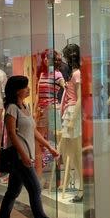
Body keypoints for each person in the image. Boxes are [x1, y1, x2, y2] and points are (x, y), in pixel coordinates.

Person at [0, 75, 64, 218]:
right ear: (17, 90)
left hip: (24, 156)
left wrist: (48, 146)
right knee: (35, 188)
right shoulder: (12, 108)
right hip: (19, 157)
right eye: (25, 87)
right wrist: (23, 156)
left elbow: (32, 131)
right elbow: (12, 134)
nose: (28, 89)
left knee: (12, 192)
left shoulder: (24, 107)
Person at [34, 49, 65, 187]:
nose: (46, 60)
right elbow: (37, 94)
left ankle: (58, 180)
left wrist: (63, 106)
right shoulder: (41, 73)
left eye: (48, 58)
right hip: (41, 110)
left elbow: (66, 89)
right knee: (38, 143)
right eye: (44, 57)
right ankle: (39, 178)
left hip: (53, 110)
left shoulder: (57, 74)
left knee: (55, 143)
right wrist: (35, 111)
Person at [59, 43, 83, 203]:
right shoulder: (73, 73)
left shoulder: (77, 74)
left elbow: (80, 98)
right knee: (68, 151)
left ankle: (82, 187)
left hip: (73, 113)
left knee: (76, 151)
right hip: (69, 112)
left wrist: (73, 119)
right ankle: (74, 182)